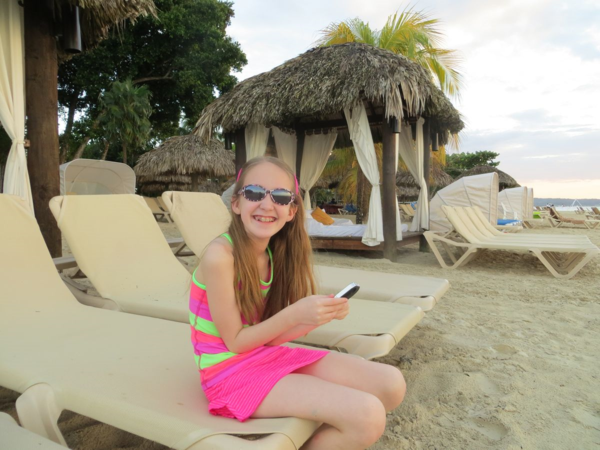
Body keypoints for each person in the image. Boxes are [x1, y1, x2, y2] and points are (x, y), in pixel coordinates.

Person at [191, 157, 406, 449]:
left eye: (280, 196)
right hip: (227, 373)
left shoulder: (273, 254)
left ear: (292, 211)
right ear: (236, 204)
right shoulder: (220, 256)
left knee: (391, 384)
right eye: (254, 193)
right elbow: (236, 343)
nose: (267, 205)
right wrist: (295, 313)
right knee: (367, 415)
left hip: (261, 355)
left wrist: (313, 318)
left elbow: (265, 336)